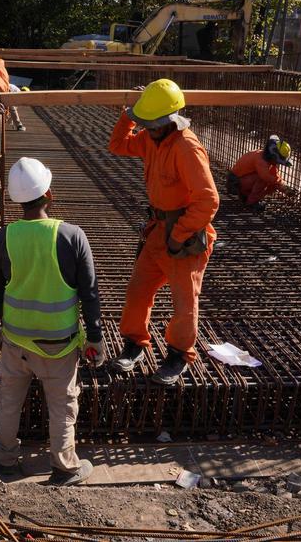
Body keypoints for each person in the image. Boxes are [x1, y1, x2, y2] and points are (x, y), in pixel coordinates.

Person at [0, 157, 104, 486]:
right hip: (59, 347)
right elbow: (90, 293)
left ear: (16, 199)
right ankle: (64, 466)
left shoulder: (4, 237)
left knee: (9, 399)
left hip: (16, 343)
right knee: (63, 405)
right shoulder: (72, 236)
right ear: (48, 194)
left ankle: (5, 458)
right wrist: (95, 337)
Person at [107, 79, 219, 384]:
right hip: (158, 230)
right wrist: (130, 115)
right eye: (147, 124)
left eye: (153, 124)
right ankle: (134, 344)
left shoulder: (186, 147)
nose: (149, 130)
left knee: (185, 304)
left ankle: (178, 355)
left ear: (171, 120)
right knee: (138, 291)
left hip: (184, 235)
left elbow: (208, 200)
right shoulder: (149, 138)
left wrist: (179, 235)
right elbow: (117, 145)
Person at [226, 135, 296, 211]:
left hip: (243, 180)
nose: (277, 163)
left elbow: (275, 176)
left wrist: (285, 187)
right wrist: (282, 186)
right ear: (273, 156)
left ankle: (247, 197)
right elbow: (266, 177)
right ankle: (251, 203)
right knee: (264, 180)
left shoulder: (265, 158)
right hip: (235, 183)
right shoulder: (261, 161)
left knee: (273, 184)